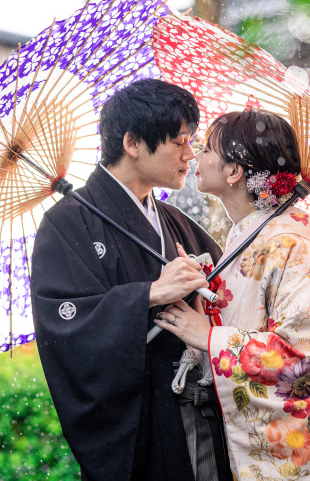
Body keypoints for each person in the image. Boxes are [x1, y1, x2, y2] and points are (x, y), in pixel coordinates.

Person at [155, 109, 310, 480]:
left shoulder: (294, 249)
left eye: (205, 149)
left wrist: (208, 336)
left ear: (235, 171)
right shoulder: (249, 240)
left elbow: (301, 356)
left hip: (294, 451)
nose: (194, 156)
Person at [30, 78, 232, 481]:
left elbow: (229, 293)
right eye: (179, 141)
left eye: (191, 141)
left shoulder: (173, 220)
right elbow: (64, 326)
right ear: (133, 144)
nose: (190, 155)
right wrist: (150, 294)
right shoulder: (66, 224)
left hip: (201, 406)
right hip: (142, 420)